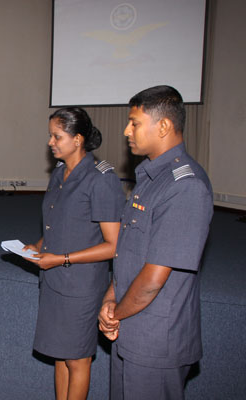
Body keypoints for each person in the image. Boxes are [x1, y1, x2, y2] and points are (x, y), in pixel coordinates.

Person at [98, 85, 213, 400]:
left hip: (156, 339)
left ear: (163, 126)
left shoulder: (185, 187)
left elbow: (152, 279)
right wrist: (110, 300)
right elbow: (128, 254)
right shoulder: (151, 178)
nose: (127, 131)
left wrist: (115, 314)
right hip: (131, 327)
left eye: (134, 123)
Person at [23, 107, 125, 400]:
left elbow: (114, 245)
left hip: (81, 285)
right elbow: (59, 223)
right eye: (50, 136)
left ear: (78, 139)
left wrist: (62, 259)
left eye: (57, 136)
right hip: (54, 280)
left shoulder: (101, 179)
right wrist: (38, 245)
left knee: (77, 359)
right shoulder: (58, 173)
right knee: (60, 354)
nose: (50, 142)